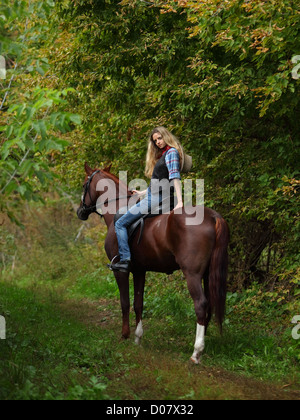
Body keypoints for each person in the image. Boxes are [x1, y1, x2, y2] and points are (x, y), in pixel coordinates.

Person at [111, 127, 184, 273]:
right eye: (155, 140)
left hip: (156, 200)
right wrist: (142, 193)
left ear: (166, 137)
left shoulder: (171, 153)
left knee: (120, 223)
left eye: (160, 138)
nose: (158, 142)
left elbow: (175, 178)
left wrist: (180, 202)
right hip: (153, 196)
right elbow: (159, 182)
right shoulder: (165, 154)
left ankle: (125, 260)